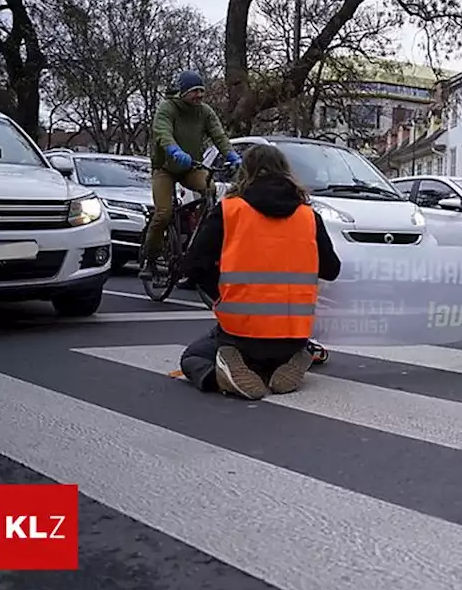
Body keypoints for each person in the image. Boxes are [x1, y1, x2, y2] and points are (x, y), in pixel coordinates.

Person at [177, 144, 341, 399]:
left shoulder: (230, 211)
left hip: (239, 333)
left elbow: (192, 266)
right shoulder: (309, 217)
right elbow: (332, 269)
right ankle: (292, 359)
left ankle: (223, 376)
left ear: (245, 172)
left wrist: (221, 294)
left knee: (193, 357)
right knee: (274, 353)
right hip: (293, 335)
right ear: (286, 172)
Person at [140, 70, 241, 280]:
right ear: (183, 92)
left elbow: (218, 134)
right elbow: (163, 133)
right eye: (195, 91)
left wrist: (231, 154)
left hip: (190, 166)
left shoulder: (204, 111)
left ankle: (199, 232)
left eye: (201, 92)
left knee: (210, 189)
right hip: (165, 168)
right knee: (163, 213)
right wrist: (174, 151)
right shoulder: (167, 109)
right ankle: (150, 259)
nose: (199, 96)